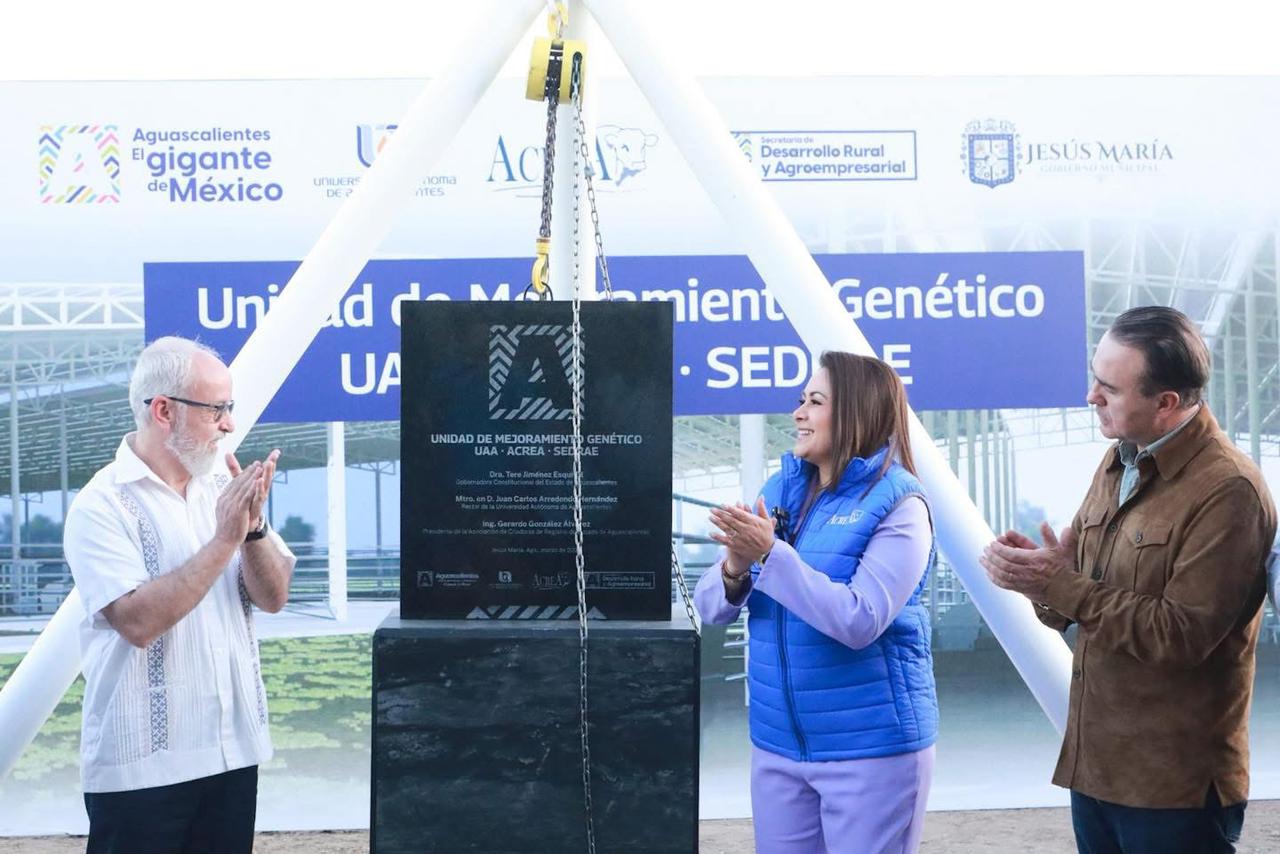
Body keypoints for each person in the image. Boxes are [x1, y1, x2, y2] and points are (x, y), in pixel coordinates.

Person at [982, 306, 1277, 854]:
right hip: (1097, 770)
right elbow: (1083, 605)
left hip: (1174, 788)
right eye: (1095, 377)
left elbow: (1182, 635)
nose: (1092, 395)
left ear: (1166, 404)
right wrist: (1042, 582)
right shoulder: (1117, 462)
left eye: (1109, 387)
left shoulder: (1228, 490)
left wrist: (1061, 585)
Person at [694, 351, 937, 854]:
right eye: (800, 400)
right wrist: (736, 566)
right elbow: (711, 609)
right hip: (777, 747)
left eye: (814, 401)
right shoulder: (780, 488)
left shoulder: (900, 504)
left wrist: (770, 554)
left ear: (855, 412)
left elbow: (860, 620)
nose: (798, 413)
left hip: (870, 750)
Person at [63, 336, 296, 854]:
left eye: (229, 409)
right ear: (164, 410)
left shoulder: (223, 488)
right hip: (142, 766)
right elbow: (137, 622)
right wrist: (223, 540)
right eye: (217, 410)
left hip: (232, 754)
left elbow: (274, 596)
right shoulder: (101, 506)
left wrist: (253, 530)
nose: (230, 425)